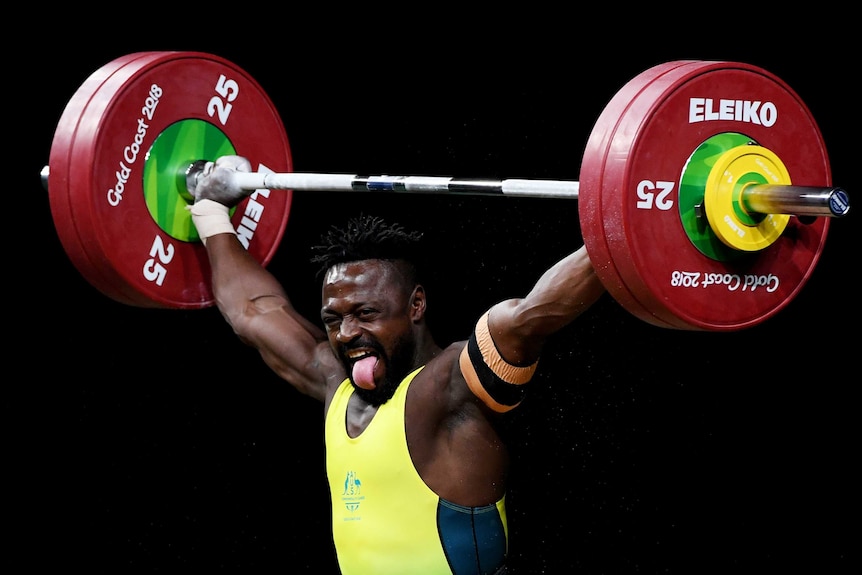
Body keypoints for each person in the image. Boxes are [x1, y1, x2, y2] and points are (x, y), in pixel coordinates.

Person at [187, 156, 607, 574]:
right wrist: (210, 211)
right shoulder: (335, 382)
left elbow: (528, 318)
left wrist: (621, 230)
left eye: (366, 313)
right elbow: (252, 312)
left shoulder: (449, 389)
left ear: (416, 305)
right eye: (333, 319)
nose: (347, 332)